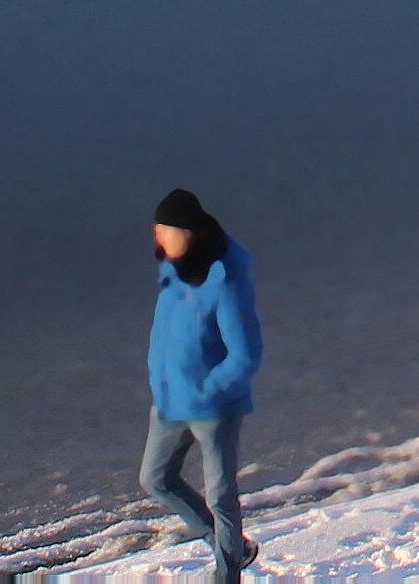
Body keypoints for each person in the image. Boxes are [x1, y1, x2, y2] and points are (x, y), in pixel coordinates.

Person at [140, 187, 264, 581]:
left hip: (213, 408)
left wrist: (207, 392)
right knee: (156, 479)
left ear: (187, 233)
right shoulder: (172, 273)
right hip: (171, 401)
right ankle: (232, 547)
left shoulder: (224, 282)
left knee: (221, 498)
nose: (158, 237)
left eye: (165, 230)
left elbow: (245, 354)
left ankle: (227, 575)